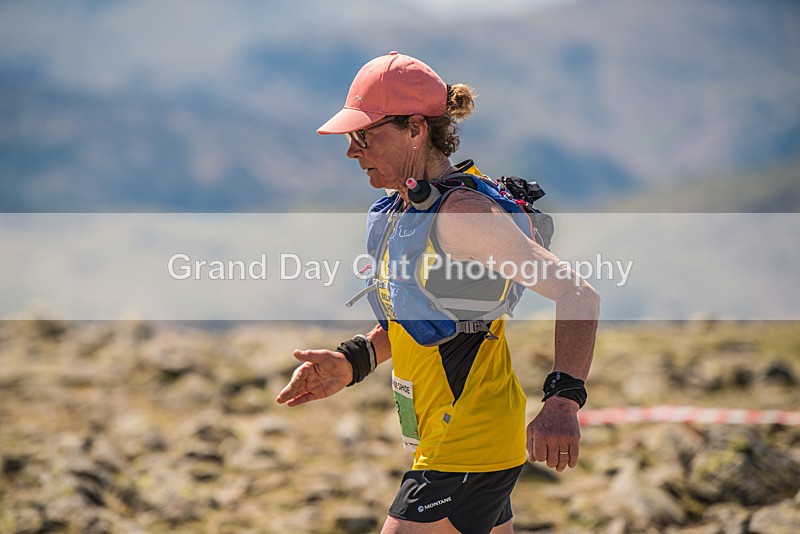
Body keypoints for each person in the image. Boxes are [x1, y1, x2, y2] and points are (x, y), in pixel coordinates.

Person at [276, 51, 600, 534]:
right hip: (452, 435)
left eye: (364, 135)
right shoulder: (402, 210)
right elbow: (420, 316)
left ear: (415, 129)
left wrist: (563, 401)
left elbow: (579, 295)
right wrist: (354, 361)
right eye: (351, 136)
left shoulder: (462, 215)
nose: (352, 150)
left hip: (466, 440)